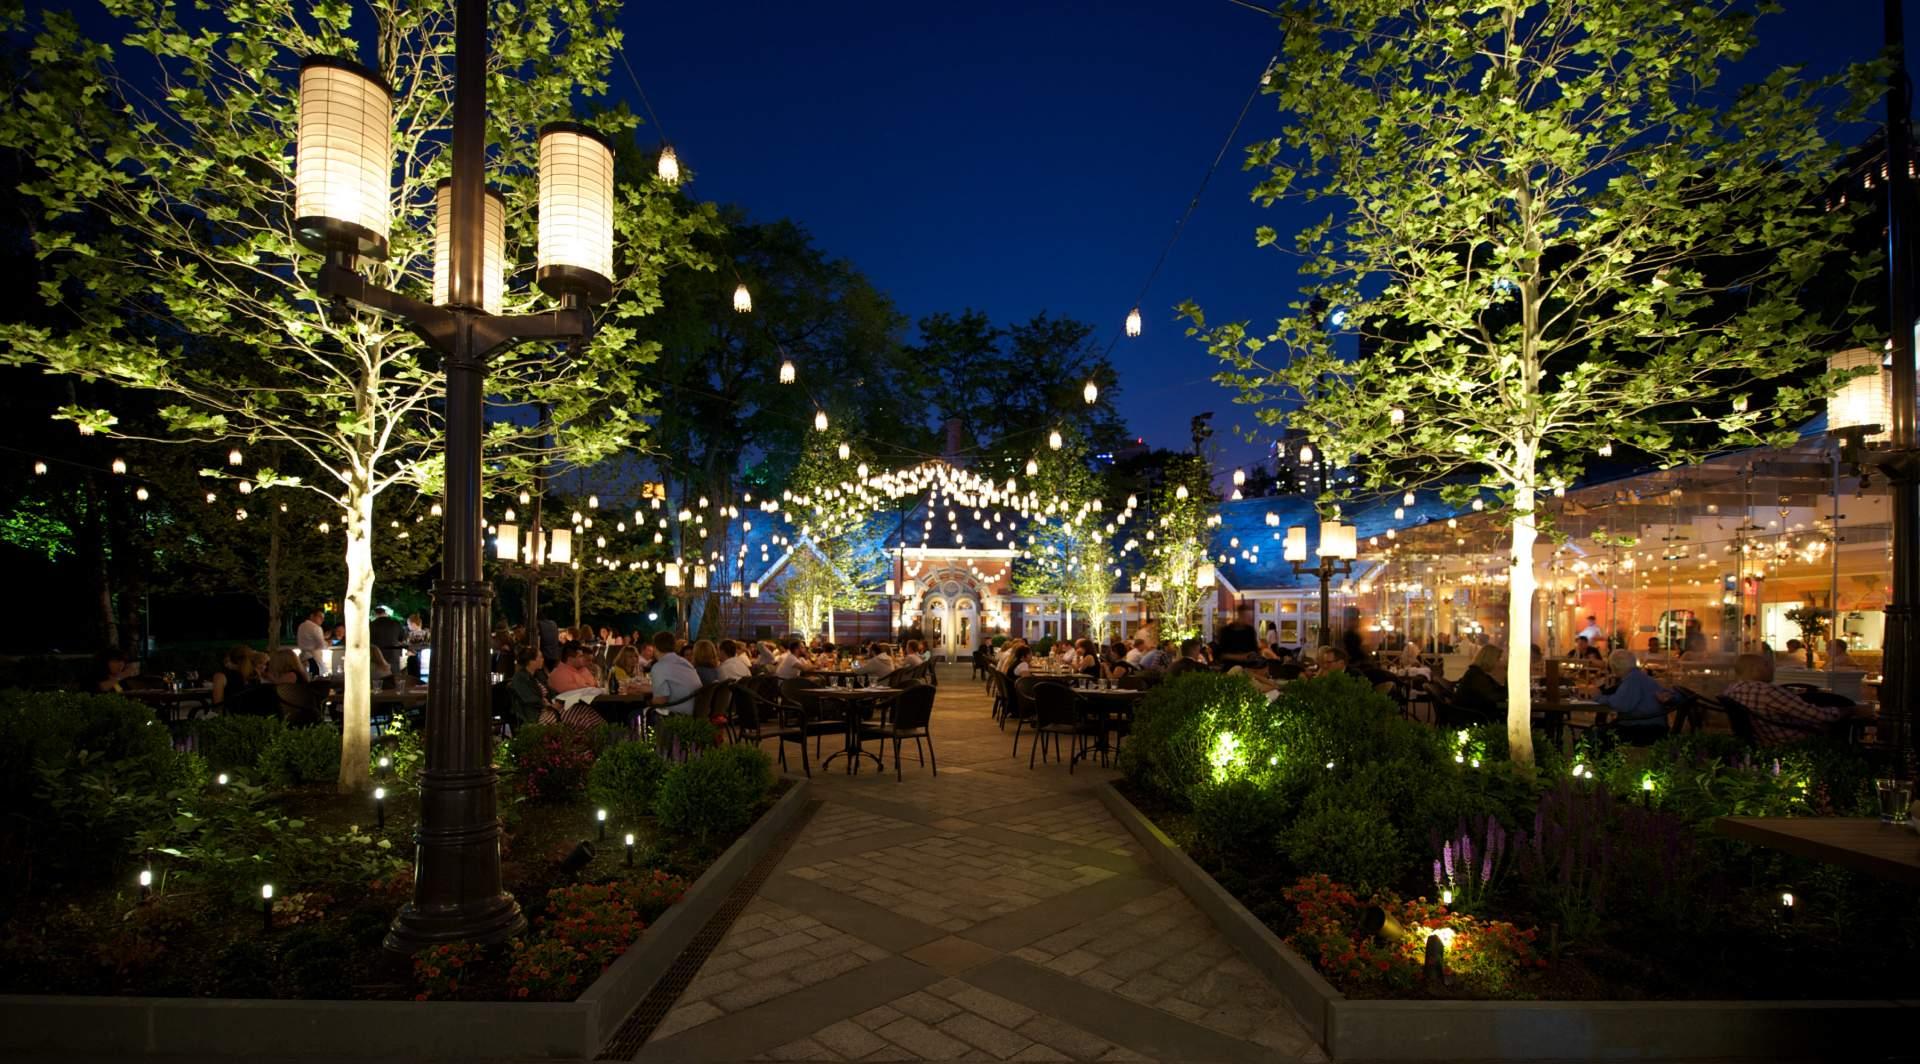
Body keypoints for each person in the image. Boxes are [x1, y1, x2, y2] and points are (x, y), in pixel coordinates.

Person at [1721, 653, 1851, 745]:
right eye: (1767, 665)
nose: (1772, 669)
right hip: (1789, 739)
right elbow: (1820, 716)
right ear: (1755, 670)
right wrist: (1847, 711)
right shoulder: (1767, 692)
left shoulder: (1732, 690)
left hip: (1759, 738)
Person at [1593, 649, 1670, 743]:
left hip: (1644, 729)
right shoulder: (1640, 677)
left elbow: (1621, 704)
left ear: (1615, 667)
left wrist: (1599, 698)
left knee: (1594, 734)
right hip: (1653, 725)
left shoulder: (1632, 679)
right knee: (1599, 731)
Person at [650, 631, 703, 714]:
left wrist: (648, 702)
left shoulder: (659, 667)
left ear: (655, 648)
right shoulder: (684, 662)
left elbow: (661, 700)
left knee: (633, 714)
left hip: (677, 714)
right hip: (695, 710)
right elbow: (676, 685)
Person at [1453, 644, 1506, 723]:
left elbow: (1496, 689)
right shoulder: (1476, 676)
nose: (1500, 662)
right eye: (1499, 659)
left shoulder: (1477, 672)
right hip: (1473, 717)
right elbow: (1493, 697)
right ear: (1490, 659)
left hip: (1475, 712)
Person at [505, 646, 551, 725]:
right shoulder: (520, 677)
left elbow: (550, 691)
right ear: (531, 661)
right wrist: (545, 704)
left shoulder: (538, 674)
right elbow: (529, 699)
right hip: (533, 715)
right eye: (540, 657)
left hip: (545, 710)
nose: (543, 659)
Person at [210, 644, 260, 708]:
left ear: (230, 658)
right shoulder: (255, 675)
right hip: (255, 716)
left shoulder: (220, 676)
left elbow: (218, 706)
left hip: (232, 717)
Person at [370, 606, 408, 678]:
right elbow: (402, 638)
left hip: (377, 660)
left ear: (375, 614)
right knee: (395, 681)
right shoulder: (396, 623)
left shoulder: (370, 625)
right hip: (393, 658)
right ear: (385, 613)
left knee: (377, 683)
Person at [296, 608, 328, 676]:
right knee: (316, 680)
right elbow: (322, 645)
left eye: (323, 618)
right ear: (312, 616)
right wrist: (328, 643)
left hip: (303, 658)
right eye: (320, 617)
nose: (322, 620)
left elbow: (308, 639)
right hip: (313, 659)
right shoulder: (316, 628)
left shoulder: (301, 626)